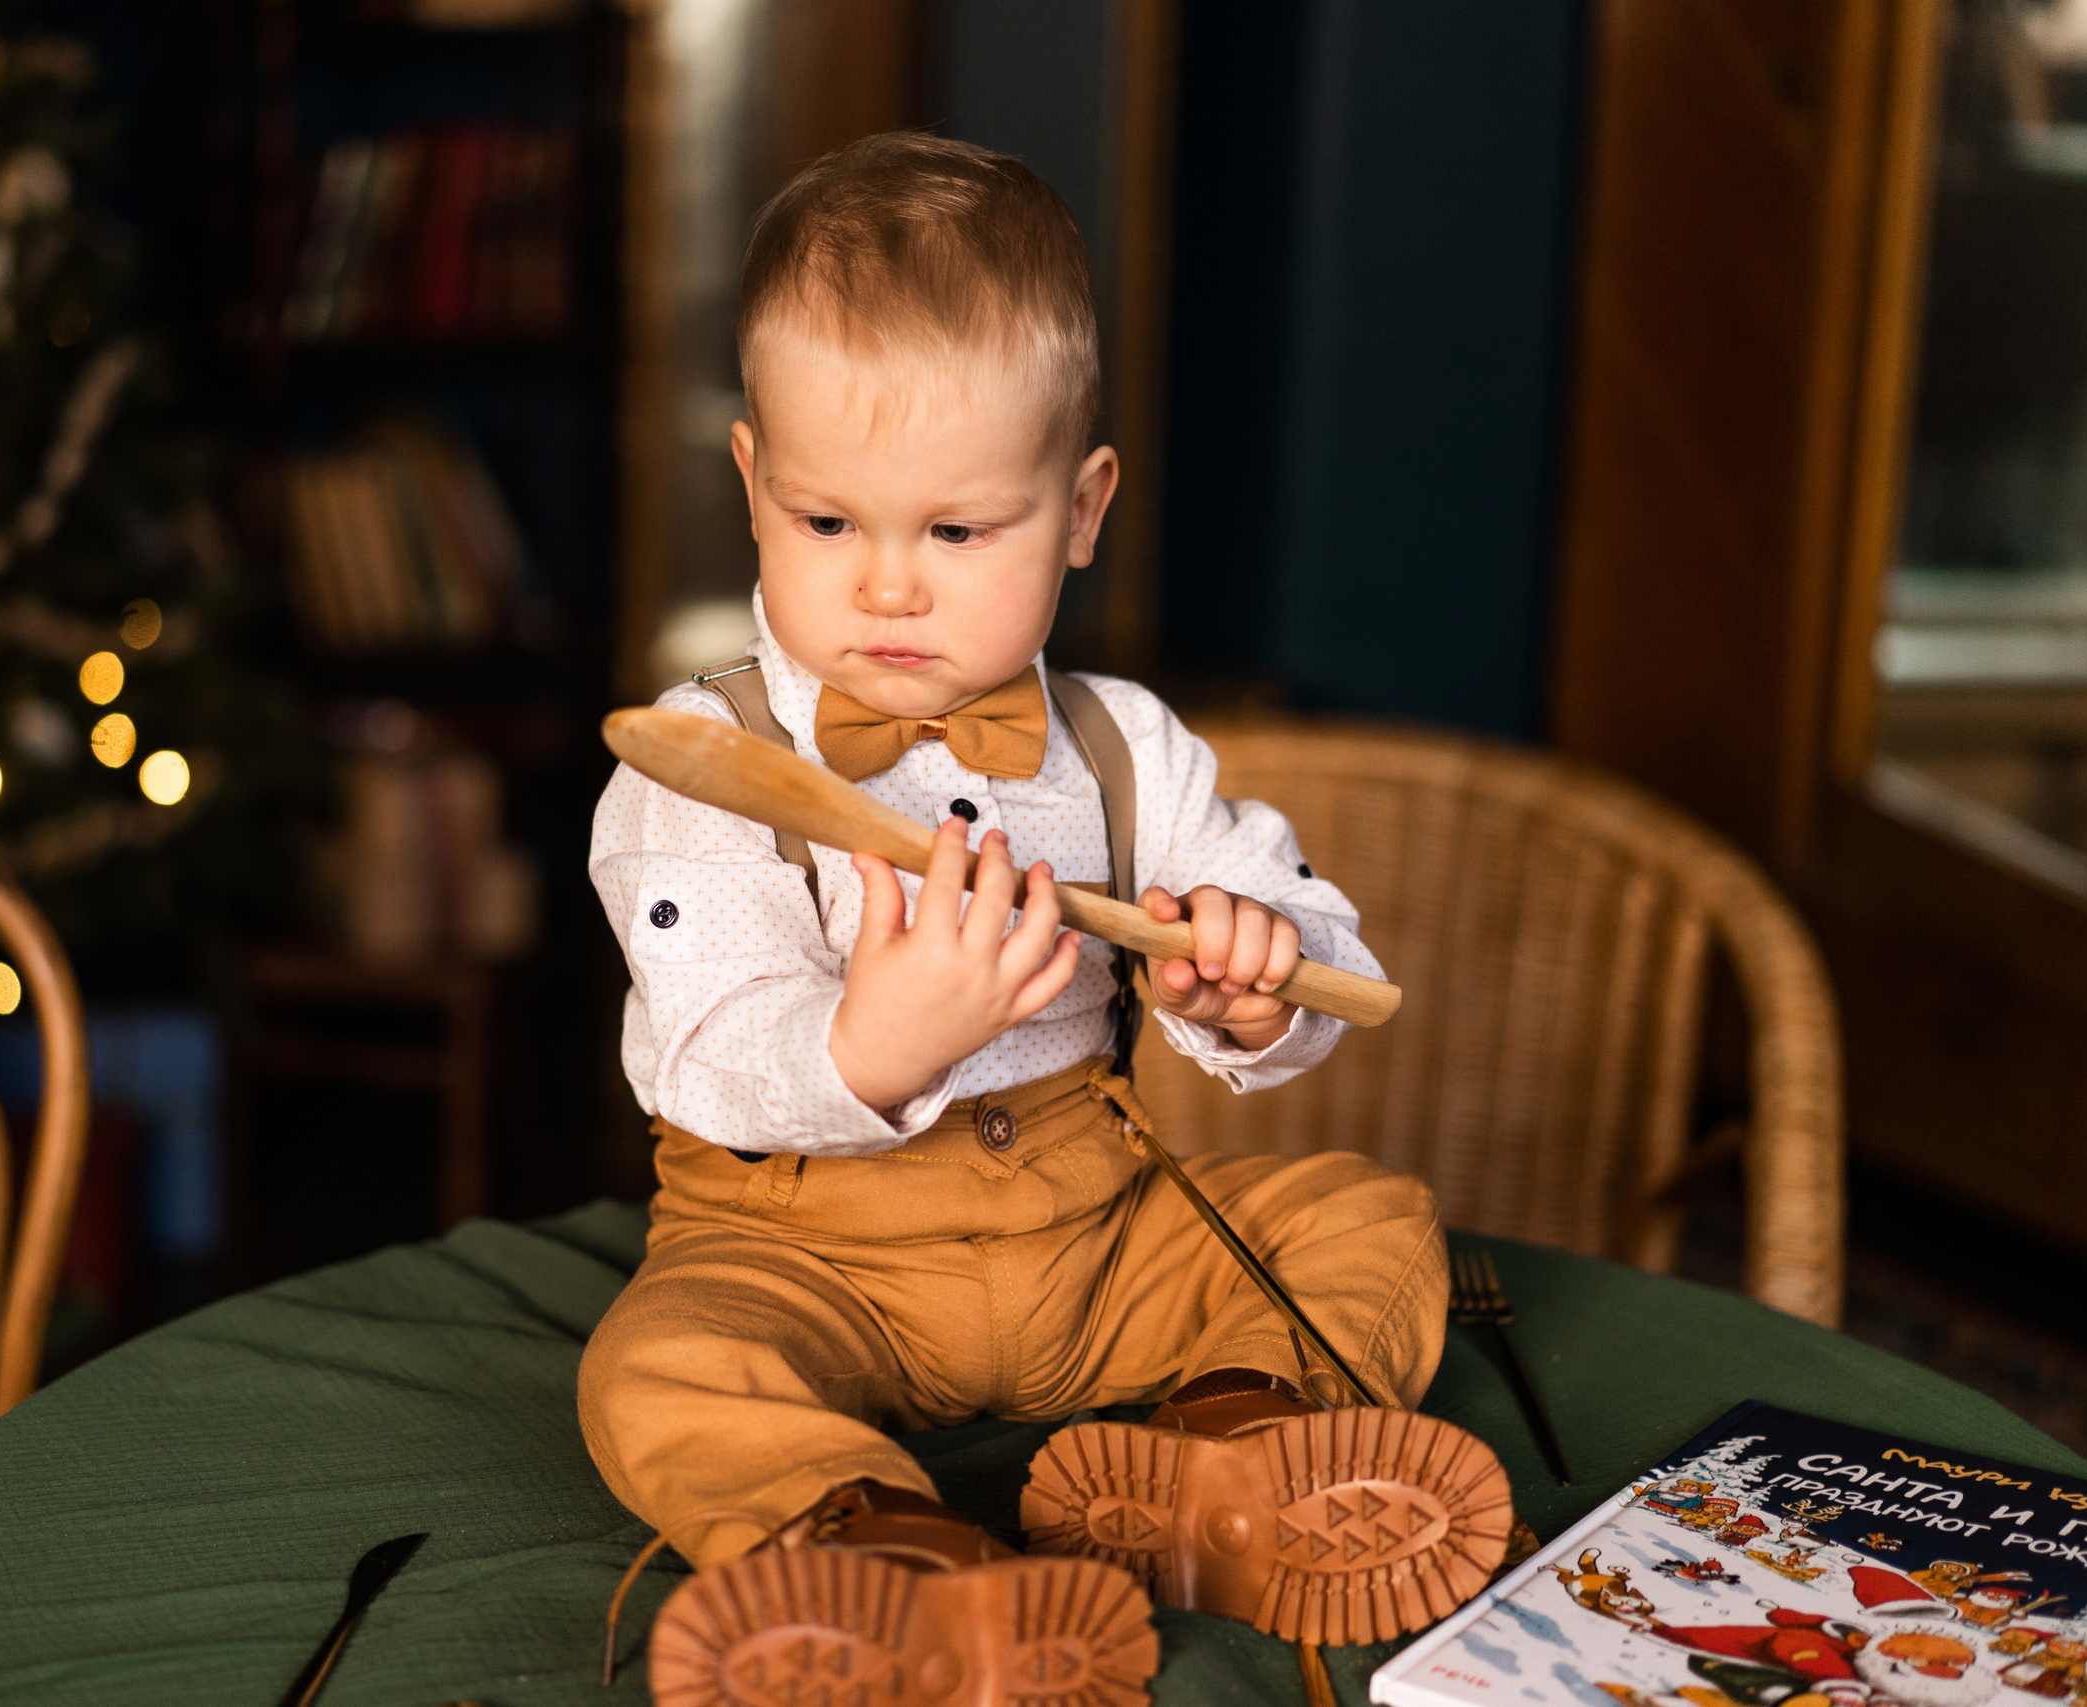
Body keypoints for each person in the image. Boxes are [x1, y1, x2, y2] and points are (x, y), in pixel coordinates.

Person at [583, 132, 1510, 1706]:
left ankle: (1225, 1453)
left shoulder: (1122, 746)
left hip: (1094, 1247)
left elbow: (1300, 918)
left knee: (1369, 1223)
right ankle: (878, 1551)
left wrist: (1254, 982)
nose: (888, 588)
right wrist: (876, 1045)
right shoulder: (711, 762)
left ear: (1080, 510)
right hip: (809, 1257)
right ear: (751, 488)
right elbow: (710, 1048)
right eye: (827, 525)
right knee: (658, 1370)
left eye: (956, 534)